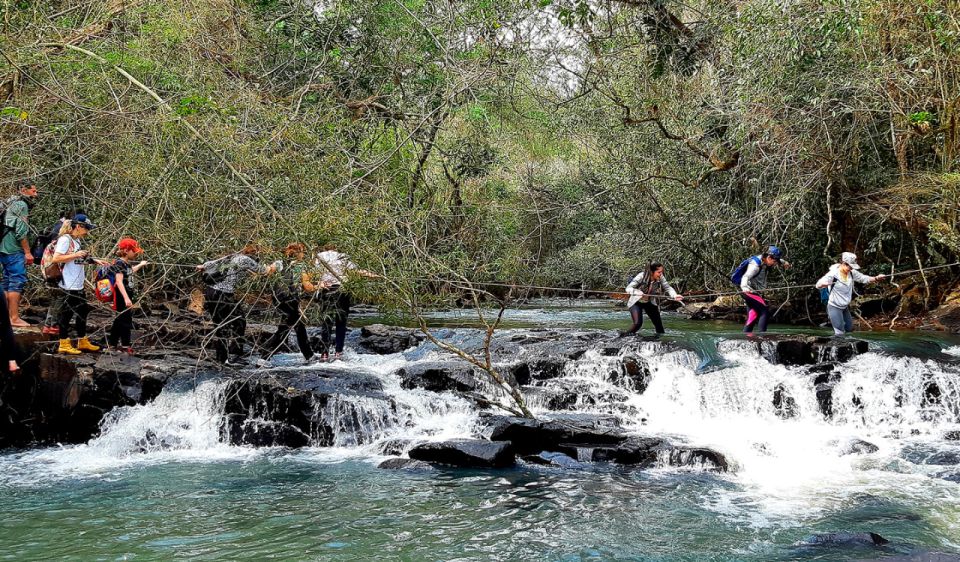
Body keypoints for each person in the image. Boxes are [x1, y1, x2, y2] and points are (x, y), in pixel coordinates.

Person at [198, 244, 278, 364]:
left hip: (210, 292)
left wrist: (202, 266)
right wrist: (275, 266)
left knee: (221, 325)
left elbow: (209, 263)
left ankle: (222, 358)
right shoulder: (245, 260)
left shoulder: (231, 257)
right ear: (254, 253)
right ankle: (234, 355)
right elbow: (264, 271)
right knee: (239, 322)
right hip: (223, 295)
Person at [49, 214, 108, 355]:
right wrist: (76, 255)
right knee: (67, 314)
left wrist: (94, 261)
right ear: (78, 226)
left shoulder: (76, 242)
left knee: (82, 312)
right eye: (86, 228)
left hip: (78, 284)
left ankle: (82, 340)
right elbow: (56, 258)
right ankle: (63, 343)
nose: (88, 231)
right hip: (68, 284)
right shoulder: (65, 239)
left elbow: (77, 260)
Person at [315, 243, 376, 362]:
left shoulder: (319, 257)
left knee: (326, 322)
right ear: (336, 247)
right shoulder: (343, 257)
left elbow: (314, 274)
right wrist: (370, 274)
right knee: (341, 321)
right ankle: (338, 351)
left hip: (326, 290)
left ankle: (324, 353)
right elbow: (354, 272)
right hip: (341, 290)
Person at [263, 242, 316, 362]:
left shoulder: (280, 263)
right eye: (303, 252)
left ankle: (309, 355)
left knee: (299, 327)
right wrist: (320, 286)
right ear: (299, 253)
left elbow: (267, 271)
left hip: (279, 300)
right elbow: (307, 286)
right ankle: (264, 356)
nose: (303, 254)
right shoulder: (301, 266)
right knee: (284, 329)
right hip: (291, 300)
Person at [815, 252, 886, 336]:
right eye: (850, 266)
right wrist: (822, 284)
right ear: (844, 263)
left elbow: (863, 278)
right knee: (839, 333)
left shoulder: (852, 273)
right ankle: (836, 348)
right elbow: (818, 284)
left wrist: (876, 278)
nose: (851, 268)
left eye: (852, 267)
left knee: (849, 329)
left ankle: (849, 348)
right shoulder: (833, 274)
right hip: (834, 306)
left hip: (845, 307)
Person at [0, 180, 39, 327]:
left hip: (2, 247)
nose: (36, 194)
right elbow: (21, 231)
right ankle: (14, 318)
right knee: (16, 281)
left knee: (5, 282)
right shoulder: (21, 205)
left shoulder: (8, 202)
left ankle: (4, 318)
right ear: (23, 190)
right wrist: (27, 252)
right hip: (13, 249)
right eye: (33, 191)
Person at [39, 209, 80, 336]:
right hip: (57, 273)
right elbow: (59, 258)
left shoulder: (57, 236)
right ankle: (53, 325)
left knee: (55, 298)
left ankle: (48, 325)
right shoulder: (65, 240)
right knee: (60, 299)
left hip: (49, 272)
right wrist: (76, 255)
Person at [106, 238, 149, 354]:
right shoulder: (119, 263)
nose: (135, 254)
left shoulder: (126, 264)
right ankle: (125, 345)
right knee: (126, 321)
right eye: (133, 251)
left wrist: (140, 264)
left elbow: (130, 272)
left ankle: (112, 344)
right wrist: (126, 298)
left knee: (119, 320)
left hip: (126, 295)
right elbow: (119, 281)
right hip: (121, 296)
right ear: (126, 250)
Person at [736, 245, 792, 334]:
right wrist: (745, 288)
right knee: (764, 311)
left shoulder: (765, 260)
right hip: (749, 291)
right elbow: (745, 277)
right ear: (769, 257)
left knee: (753, 314)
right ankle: (763, 337)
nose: (775, 263)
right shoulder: (755, 266)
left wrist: (784, 262)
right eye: (775, 261)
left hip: (754, 292)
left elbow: (778, 260)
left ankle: (747, 336)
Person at [623, 262, 683, 335]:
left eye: (661, 272)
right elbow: (628, 288)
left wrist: (675, 295)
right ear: (651, 272)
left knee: (659, 326)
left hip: (650, 302)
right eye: (659, 272)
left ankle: (659, 343)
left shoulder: (660, 277)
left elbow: (667, 287)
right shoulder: (641, 276)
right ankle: (623, 336)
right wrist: (637, 292)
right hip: (636, 302)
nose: (661, 274)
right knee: (637, 324)